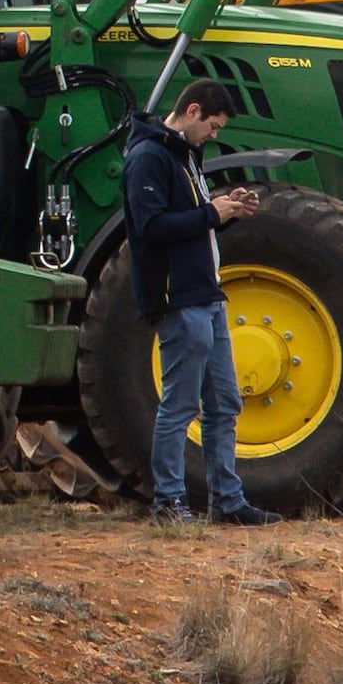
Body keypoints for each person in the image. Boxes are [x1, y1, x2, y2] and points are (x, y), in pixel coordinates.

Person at [123, 78, 265, 526]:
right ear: (192, 111)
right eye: (213, 127)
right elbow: (149, 228)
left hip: (207, 295)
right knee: (180, 406)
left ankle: (228, 500)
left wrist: (225, 210)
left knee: (224, 402)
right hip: (178, 298)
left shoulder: (185, 156)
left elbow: (189, 224)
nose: (214, 135)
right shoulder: (148, 158)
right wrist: (211, 213)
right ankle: (169, 501)